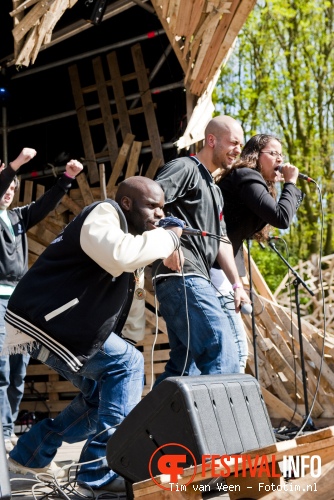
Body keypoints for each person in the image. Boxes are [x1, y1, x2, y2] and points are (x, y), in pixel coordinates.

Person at [2, 176, 182, 495]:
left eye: (163, 208)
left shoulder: (128, 231)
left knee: (99, 398)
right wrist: (169, 238)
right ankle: (101, 472)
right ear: (127, 203)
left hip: (50, 324)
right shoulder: (103, 213)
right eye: (152, 206)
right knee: (127, 364)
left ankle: (30, 454)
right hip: (42, 321)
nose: (159, 214)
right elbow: (122, 255)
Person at [152, 115, 251, 383]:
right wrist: (168, 243)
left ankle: (150, 426)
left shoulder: (215, 191)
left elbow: (221, 240)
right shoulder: (185, 168)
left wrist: (237, 285)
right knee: (223, 350)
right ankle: (218, 427)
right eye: (233, 142)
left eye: (240, 145)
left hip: (195, 278)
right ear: (211, 140)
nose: (237, 150)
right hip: (181, 276)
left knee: (185, 368)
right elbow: (148, 200)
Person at [0, 147, 83, 454]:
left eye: (13, 188)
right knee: (1, 370)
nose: (9, 192)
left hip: (19, 305)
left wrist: (67, 179)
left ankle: (7, 428)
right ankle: (2, 430)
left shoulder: (17, 218)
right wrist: (17, 164)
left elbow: (45, 205)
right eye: (5, 186)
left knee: (19, 371)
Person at [211, 133, 304, 371]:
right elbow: (281, 218)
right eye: (273, 153)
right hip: (213, 268)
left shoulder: (252, 183)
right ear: (255, 155)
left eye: (281, 155)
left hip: (222, 270)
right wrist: (290, 185)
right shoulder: (245, 176)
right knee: (236, 352)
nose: (279, 160)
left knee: (204, 355)